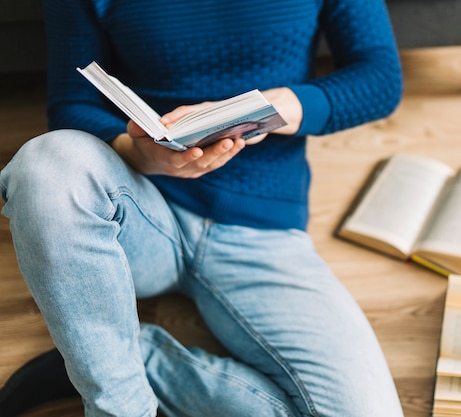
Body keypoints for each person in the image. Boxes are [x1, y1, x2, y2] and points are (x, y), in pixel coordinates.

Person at [0, 0, 404, 416]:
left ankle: (119, 359)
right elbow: (71, 104)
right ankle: (119, 402)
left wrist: (277, 105)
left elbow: (379, 78)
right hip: (137, 207)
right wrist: (142, 156)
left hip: (259, 229)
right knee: (46, 163)